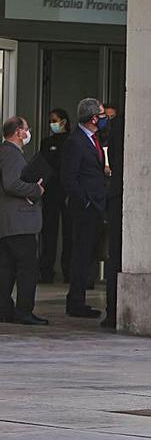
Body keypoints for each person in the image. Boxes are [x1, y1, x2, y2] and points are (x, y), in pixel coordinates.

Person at [60, 98, 109, 319]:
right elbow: (68, 178)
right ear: (93, 118)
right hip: (85, 209)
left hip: (97, 206)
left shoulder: (93, 139)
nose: (105, 117)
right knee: (81, 255)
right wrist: (85, 201)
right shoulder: (76, 141)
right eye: (101, 114)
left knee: (88, 255)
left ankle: (79, 300)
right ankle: (76, 302)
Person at [0, 117, 46, 325]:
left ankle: (5, 310)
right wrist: (35, 189)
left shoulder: (7, 153)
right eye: (26, 129)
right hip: (19, 222)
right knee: (27, 268)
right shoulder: (11, 154)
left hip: (10, 223)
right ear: (19, 132)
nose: (28, 133)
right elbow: (10, 184)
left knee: (7, 268)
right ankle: (24, 311)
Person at [37, 109, 72, 284]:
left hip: (66, 191)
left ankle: (68, 271)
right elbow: (42, 164)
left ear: (64, 122)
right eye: (51, 120)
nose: (52, 124)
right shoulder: (47, 142)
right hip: (50, 191)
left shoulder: (71, 141)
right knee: (49, 232)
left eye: (55, 120)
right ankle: (46, 271)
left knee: (69, 233)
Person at [102, 114, 125, 329]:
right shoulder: (126, 122)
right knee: (117, 256)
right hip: (122, 195)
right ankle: (114, 311)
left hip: (118, 194)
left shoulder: (119, 123)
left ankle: (113, 311)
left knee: (115, 257)